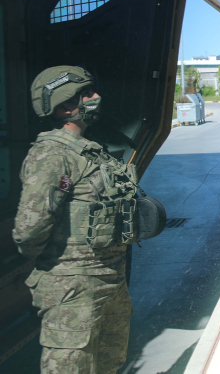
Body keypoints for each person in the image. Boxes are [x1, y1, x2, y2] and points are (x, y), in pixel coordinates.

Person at [13, 65, 136, 373]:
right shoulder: (52, 155)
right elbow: (29, 231)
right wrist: (64, 263)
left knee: (109, 365)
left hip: (109, 279)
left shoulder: (91, 151)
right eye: (86, 93)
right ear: (65, 106)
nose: (96, 97)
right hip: (72, 288)